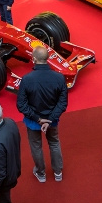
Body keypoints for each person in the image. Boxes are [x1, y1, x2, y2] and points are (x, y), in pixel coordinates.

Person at [17, 46, 68, 183]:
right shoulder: (59, 77)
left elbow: (21, 104)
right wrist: (49, 120)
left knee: (36, 146)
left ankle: (41, 173)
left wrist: (38, 119)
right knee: (54, 143)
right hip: (53, 120)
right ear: (48, 58)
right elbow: (62, 103)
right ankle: (58, 172)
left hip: (33, 121)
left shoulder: (27, 79)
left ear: (34, 59)